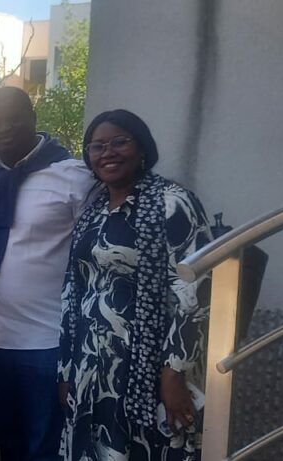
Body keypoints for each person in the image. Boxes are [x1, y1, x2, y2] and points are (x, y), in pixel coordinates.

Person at [59, 109, 211, 461]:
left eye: (119, 142)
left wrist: (173, 371)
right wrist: (66, 370)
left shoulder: (172, 202)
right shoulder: (94, 209)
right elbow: (72, 291)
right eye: (97, 146)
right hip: (90, 367)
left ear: (142, 148)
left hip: (148, 368)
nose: (107, 153)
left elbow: (198, 289)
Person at [0, 86, 96, 461]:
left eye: (13, 119)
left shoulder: (73, 176)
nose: (3, 128)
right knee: (8, 443)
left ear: (32, 118)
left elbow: (94, 258)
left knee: (46, 447)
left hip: (47, 341)